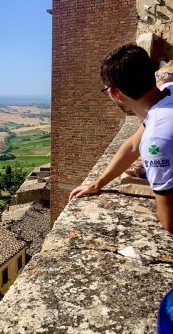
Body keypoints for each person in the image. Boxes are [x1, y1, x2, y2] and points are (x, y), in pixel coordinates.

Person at [70, 44, 173, 231]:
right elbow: (133, 145)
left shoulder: (156, 138)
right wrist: (97, 183)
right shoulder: (169, 90)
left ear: (115, 93)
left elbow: (169, 221)